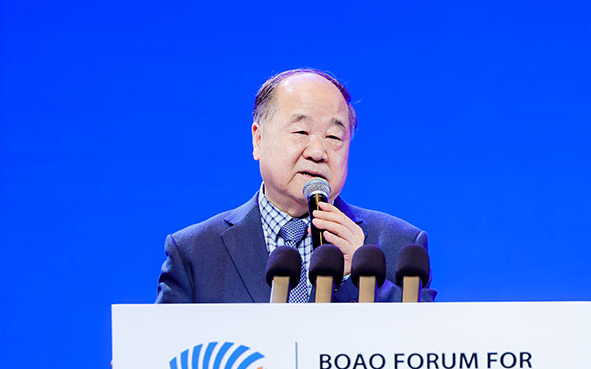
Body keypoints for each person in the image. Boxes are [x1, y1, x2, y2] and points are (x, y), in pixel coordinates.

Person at [155, 68, 436, 303]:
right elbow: (166, 346)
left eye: (334, 137)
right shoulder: (194, 252)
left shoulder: (401, 245)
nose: (317, 151)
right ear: (258, 139)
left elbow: (428, 344)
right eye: (301, 132)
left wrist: (359, 277)